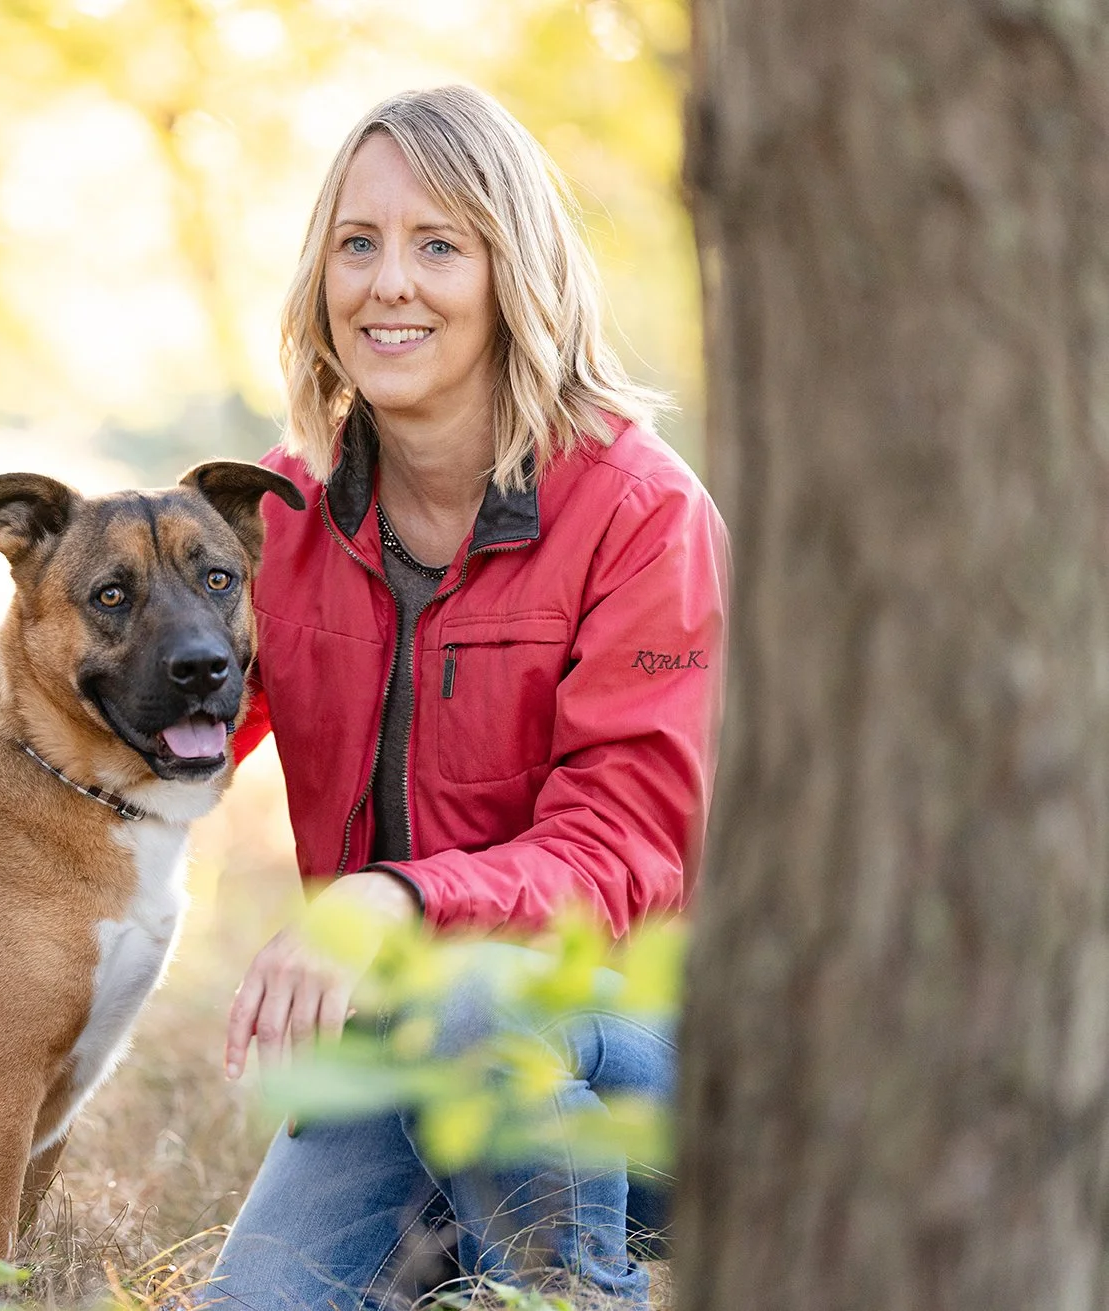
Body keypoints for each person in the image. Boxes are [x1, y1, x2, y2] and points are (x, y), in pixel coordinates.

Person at [208, 85, 728, 1309]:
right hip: (399, 1055)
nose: (389, 283)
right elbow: (139, 748)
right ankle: (458, 1256)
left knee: (483, 992)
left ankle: (582, 1293)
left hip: (633, 1063)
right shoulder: (281, 515)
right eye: (358, 243)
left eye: (438, 244)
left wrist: (395, 900)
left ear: (515, 274)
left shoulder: (639, 513)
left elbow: (625, 854)